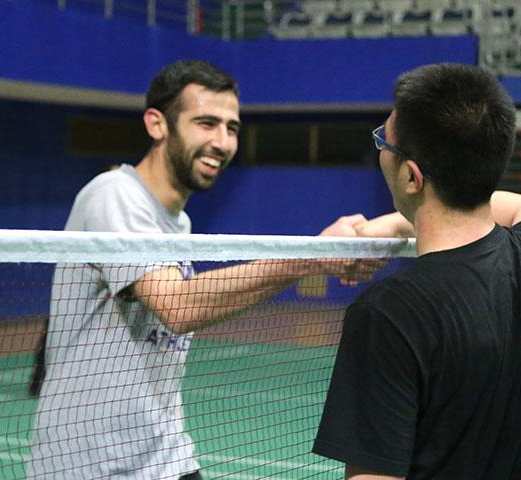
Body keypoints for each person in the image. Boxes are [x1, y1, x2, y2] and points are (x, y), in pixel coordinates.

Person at [27, 60, 369, 480]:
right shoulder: (114, 195)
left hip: (165, 457)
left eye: (232, 128)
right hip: (90, 466)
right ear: (157, 124)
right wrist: (311, 256)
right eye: (206, 123)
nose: (222, 142)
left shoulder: (178, 223)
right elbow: (177, 306)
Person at [312, 63, 521, 479]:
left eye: (384, 141)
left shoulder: (388, 313)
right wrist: (398, 224)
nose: (381, 150)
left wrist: (395, 221)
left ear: (412, 177)